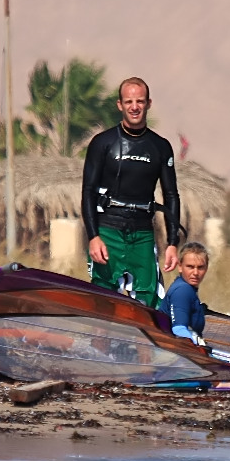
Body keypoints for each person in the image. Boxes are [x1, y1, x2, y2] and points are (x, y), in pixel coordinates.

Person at [81, 76, 181, 308]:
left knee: (149, 302)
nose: (134, 107)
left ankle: (144, 345)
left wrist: (173, 242)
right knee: (103, 303)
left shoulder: (160, 146)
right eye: (129, 102)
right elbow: (88, 191)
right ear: (120, 105)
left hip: (143, 234)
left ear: (148, 103)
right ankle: (101, 343)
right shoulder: (102, 143)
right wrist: (93, 237)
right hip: (108, 231)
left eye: (140, 101)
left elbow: (171, 195)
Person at [159, 242, 209, 343]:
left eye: (200, 267)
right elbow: (179, 331)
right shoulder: (182, 291)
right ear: (180, 267)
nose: (195, 273)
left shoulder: (186, 287)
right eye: (190, 267)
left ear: (206, 268)